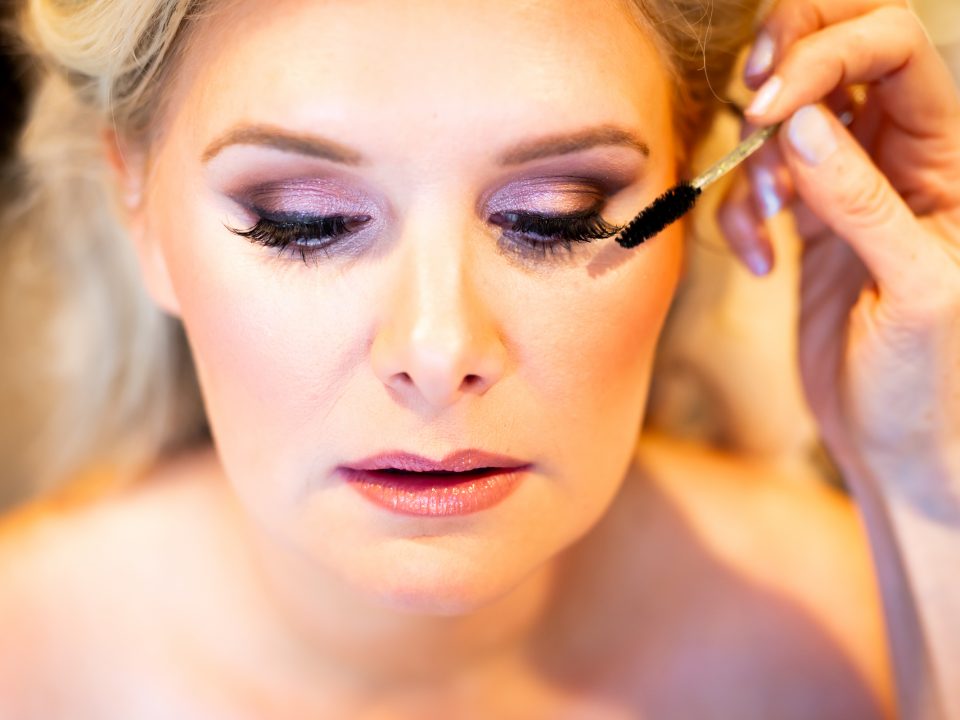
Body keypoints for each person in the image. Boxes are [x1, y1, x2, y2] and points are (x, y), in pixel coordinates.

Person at [0, 0, 957, 717]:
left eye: (555, 218)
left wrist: (927, 482)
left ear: (687, 191)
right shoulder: (25, 662)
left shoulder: (847, 636)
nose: (437, 349)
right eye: (308, 222)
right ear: (139, 209)